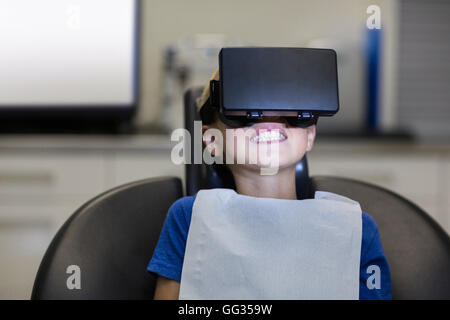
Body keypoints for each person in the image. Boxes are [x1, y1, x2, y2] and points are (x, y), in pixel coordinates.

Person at [148, 68, 392, 300]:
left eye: (286, 102)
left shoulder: (355, 229)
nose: (269, 116)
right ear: (213, 141)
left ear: (309, 134)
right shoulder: (189, 219)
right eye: (243, 107)